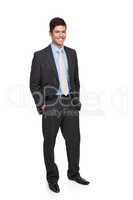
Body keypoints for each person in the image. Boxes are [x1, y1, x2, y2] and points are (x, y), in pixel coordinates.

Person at [30, 17, 90, 193]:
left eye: (63, 31)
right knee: (49, 143)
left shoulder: (72, 53)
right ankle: (52, 178)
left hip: (69, 104)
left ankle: (73, 173)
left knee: (74, 141)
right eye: (57, 31)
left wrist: (75, 100)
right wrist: (41, 105)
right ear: (50, 33)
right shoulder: (40, 56)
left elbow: (76, 80)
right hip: (50, 105)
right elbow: (34, 84)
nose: (61, 35)